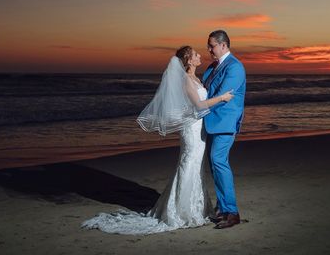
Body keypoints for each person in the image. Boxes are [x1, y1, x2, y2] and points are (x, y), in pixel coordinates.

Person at [81, 45, 233, 235]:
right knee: (188, 163)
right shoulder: (186, 80)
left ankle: (196, 207)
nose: (199, 56)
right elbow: (199, 105)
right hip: (191, 129)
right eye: (195, 54)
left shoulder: (196, 78)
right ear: (188, 60)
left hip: (199, 127)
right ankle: (181, 211)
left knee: (196, 165)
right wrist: (222, 98)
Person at [202, 29, 246, 229]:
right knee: (214, 164)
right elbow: (204, 91)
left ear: (223, 45)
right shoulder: (212, 67)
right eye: (209, 46)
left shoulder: (235, 67)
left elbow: (221, 96)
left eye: (212, 45)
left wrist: (197, 111)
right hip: (211, 122)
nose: (209, 49)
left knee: (218, 161)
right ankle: (222, 209)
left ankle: (232, 212)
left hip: (225, 123)